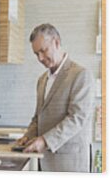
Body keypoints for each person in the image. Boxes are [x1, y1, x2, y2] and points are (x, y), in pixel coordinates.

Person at [17, 23, 94, 172]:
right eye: (36, 54)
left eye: (43, 51)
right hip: (45, 163)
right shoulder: (42, 80)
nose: (40, 58)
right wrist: (28, 136)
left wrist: (45, 141)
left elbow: (77, 118)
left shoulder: (80, 75)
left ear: (56, 42)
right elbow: (38, 117)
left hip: (70, 164)